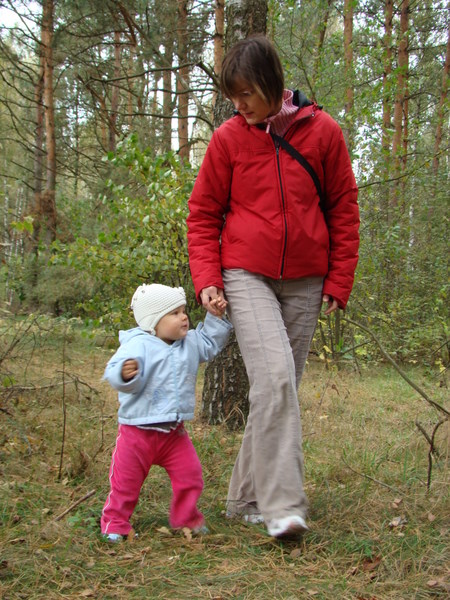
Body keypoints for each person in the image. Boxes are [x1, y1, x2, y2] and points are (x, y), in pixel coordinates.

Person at [186, 35, 359, 539]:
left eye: (245, 95)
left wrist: (339, 279)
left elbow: (344, 210)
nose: (238, 106)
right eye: (232, 98)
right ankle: (284, 506)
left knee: (275, 388)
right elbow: (202, 216)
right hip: (246, 274)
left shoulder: (323, 133)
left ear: (271, 83)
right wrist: (208, 281)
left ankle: (243, 498)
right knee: (278, 380)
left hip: (306, 279)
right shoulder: (228, 140)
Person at [100, 283, 232, 542]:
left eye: (183, 311)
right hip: (137, 433)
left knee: (190, 475)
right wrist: (123, 373)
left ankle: (186, 517)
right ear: (153, 323)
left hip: (173, 433)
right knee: (125, 484)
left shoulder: (190, 343)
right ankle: (114, 522)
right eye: (174, 313)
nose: (184, 317)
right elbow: (113, 368)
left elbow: (209, 342)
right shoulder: (137, 345)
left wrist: (215, 317)